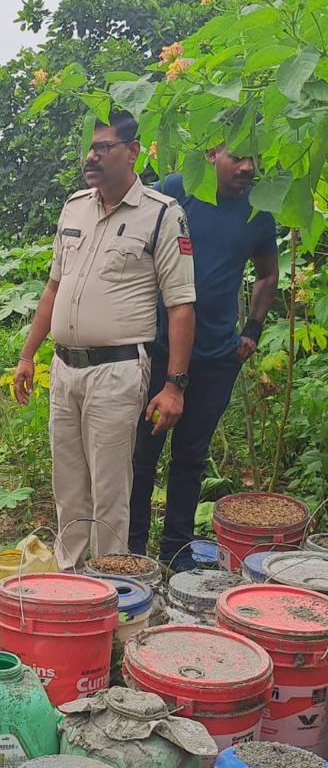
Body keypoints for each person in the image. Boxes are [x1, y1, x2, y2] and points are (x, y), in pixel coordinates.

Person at [13, 111, 196, 569]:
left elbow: (180, 306)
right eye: (87, 149)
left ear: (133, 152)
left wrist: (174, 385)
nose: (90, 157)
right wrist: (27, 355)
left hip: (116, 371)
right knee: (68, 485)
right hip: (64, 369)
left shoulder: (161, 214)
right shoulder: (75, 206)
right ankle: (70, 581)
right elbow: (53, 287)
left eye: (102, 148)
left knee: (110, 489)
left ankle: (110, 586)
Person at [129, 146, 279, 570]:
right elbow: (131, 220)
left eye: (253, 158)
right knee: (142, 453)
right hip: (158, 349)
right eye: (238, 156)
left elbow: (268, 272)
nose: (248, 166)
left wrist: (251, 330)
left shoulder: (258, 210)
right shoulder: (177, 190)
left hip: (215, 356)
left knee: (191, 456)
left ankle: (176, 550)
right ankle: (131, 549)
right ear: (212, 153)